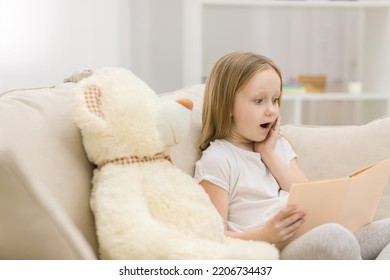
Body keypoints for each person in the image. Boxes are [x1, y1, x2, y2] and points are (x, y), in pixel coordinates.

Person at [194, 51, 390, 259]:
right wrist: (265, 235)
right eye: (259, 101)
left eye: (275, 100)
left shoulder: (278, 146)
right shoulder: (219, 159)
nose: (271, 110)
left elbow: (308, 195)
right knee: (335, 237)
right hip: (278, 250)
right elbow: (213, 236)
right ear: (227, 106)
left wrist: (269, 154)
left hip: (315, 235)